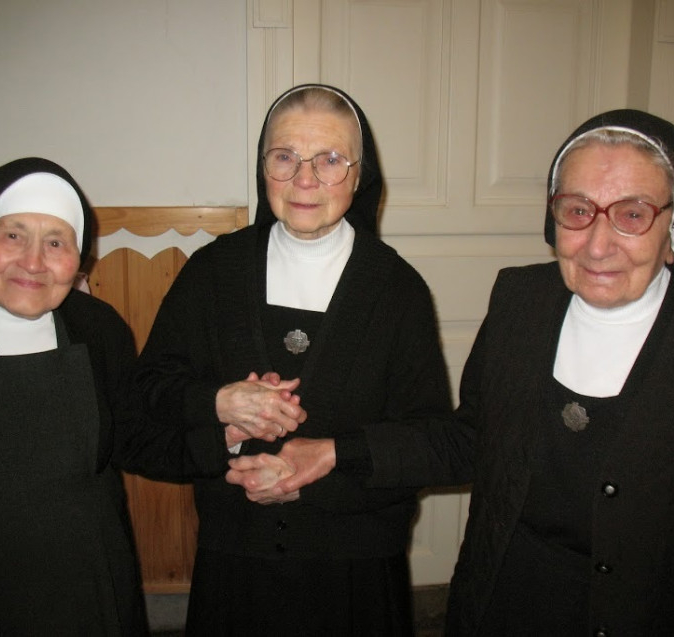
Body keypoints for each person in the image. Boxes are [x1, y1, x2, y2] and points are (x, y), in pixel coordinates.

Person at [228, 109, 674, 635]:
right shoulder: (520, 301)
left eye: (632, 215)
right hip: (500, 606)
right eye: (577, 210)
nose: (598, 245)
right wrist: (333, 453)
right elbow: (470, 440)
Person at [134, 84, 452, 635]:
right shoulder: (211, 274)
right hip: (236, 561)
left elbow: (430, 443)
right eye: (285, 157)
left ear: (359, 175)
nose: (305, 180)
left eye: (329, 160)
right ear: (263, 167)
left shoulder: (397, 290)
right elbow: (149, 395)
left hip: (356, 570)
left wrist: (327, 464)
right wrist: (219, 404)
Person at [0, 157, 238, 636]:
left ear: (78, 258)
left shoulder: (97, 329)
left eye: (56, 242)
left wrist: (228, 437)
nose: (33, 262)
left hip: (94, 584)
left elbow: (133, 440)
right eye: (14, 235)